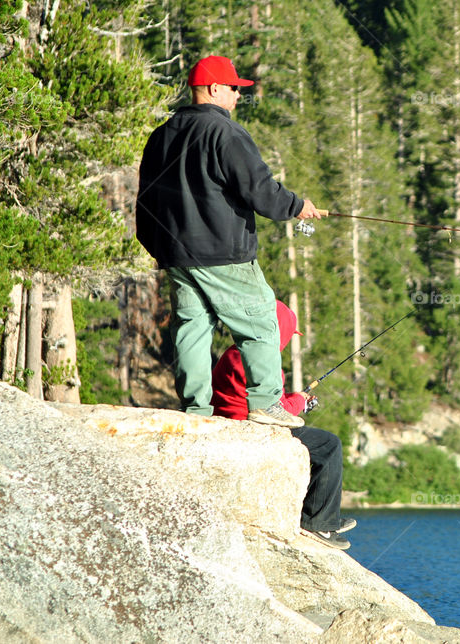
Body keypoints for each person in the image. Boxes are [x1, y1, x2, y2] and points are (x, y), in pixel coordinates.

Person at [136, 55, 325, 428]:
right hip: (225, 255)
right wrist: (297, 206)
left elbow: (144, 201)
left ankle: (196, 412)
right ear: (214, 89)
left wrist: (160, 249)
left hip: (176, 256)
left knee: (192, 329)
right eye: (234, 89)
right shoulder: (226, 134)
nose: (238, 96)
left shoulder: (161, 135)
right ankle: (267, 403)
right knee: (262, 323)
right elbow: (259, 189)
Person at [211, 300, 355, 550]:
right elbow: (272, 411)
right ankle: (318, 522)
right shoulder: (263, 361)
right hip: (249, 428)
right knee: (329, 445)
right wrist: (299, 401)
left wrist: (296, 400)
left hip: (234, 421)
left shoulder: (236, 352)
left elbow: (268, 403)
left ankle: (321, 515)